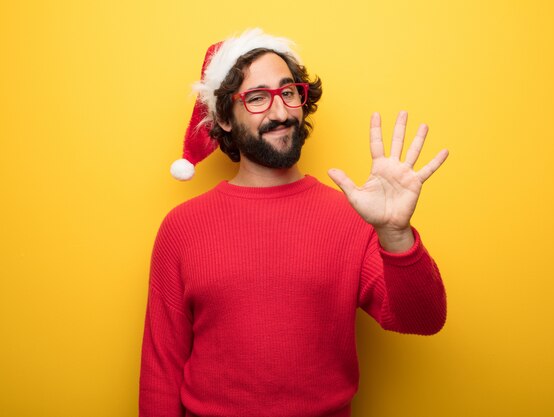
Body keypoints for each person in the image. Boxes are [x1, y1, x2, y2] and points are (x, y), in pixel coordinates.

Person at [140, 28, 449, 417]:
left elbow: (423, 319)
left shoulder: (350, 216)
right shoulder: (181, 228)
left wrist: (396, 233)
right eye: (257, 98)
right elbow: (161, 368)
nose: (281, 112)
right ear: (225, 119)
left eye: (288, 92)